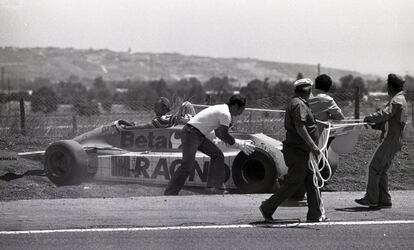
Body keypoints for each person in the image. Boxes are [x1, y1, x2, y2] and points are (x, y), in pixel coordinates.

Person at [259, 78, 328, 222]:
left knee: (312, 182)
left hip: (301, 151)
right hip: (298, 151)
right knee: (294, 183)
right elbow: (300, 127)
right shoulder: (299, 104)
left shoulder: (298, 103)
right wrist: (313, 146)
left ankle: (315, 215)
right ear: (308, 91)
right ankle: (267, 207)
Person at [164, 94, 255, 195]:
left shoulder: (221, 108)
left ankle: (214, 188)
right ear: (236, 106)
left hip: (196, 134)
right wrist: (240, 144)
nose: (239, 114)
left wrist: (238, 143)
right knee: (187, 165)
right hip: (191, 133)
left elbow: (218, 133)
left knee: (217, 155)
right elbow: (223, 135)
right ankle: (170, 192)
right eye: (240, 110)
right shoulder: (225, 114)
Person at [355, 73, 408, 208]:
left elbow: (385, 114)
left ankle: (371, 199)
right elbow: (391, 122)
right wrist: (377, 125)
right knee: (381, 170)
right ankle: (384, 199)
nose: (387, 89)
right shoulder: (401, 100)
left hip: (389, 141)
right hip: (394, 140)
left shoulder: (396, 101)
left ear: (391, 86)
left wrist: (370, 117)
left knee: (374, 167)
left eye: (387, 86)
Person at [291, 74, 345, 200]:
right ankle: (314, 196)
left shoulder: (304, 97)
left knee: (303, 165)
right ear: (328, 87)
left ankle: (298, 190)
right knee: (318, 167)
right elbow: (340, 117)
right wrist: (327, 115)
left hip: (300, 136)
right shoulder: (327, 100)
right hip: (318, 138)